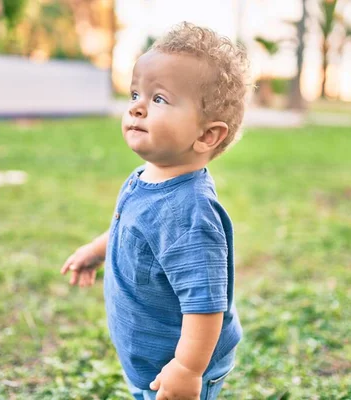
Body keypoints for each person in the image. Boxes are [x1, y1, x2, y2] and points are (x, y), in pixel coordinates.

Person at [60, 22, 249, 400]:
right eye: (135, 93)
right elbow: (129, 226)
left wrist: (187, 369)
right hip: (151, 359)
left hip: (176, 370)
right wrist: (96, 251)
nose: (136, 106)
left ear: (206, 135)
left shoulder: (191, 214)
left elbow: (205, 305)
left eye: (158, 99)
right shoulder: (146, 176)